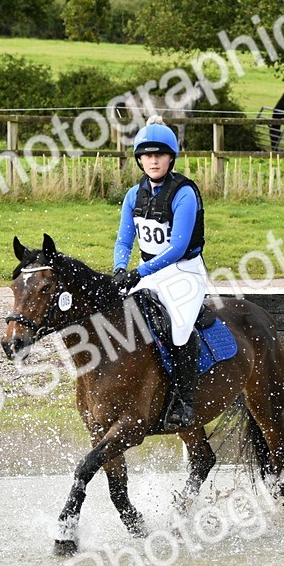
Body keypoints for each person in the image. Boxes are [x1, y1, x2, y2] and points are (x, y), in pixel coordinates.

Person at [112, 115, 208, 430]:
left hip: (184, 272)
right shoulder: (132, 195)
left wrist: (139, 272)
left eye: (159, 155)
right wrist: (119, 269)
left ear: (170, 158)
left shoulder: (184, 193)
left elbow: (178, 247)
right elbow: (124, 240)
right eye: (147, 155)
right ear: (140, 160)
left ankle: (184, 402)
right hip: (148, 270)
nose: (153, 161)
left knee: (179, 329)